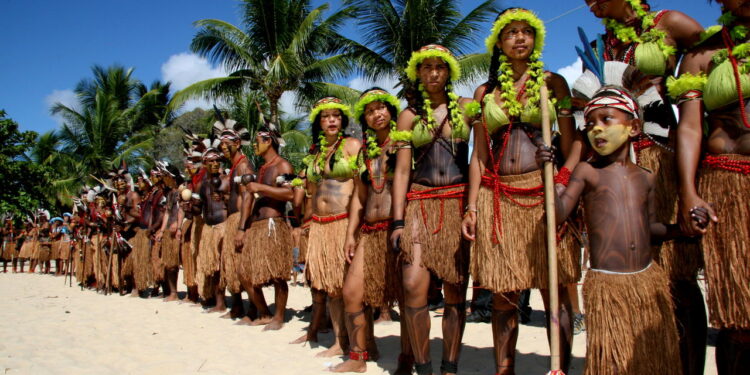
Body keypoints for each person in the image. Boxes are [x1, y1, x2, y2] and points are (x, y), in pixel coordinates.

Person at [538, 85, 702, 374]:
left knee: (651, 360)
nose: (596, 130)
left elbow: (650, 230)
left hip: (647, 281)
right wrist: (548, 174)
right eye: (590, 124)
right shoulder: (587, 172)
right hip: (608, 285)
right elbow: (558, 214)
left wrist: (681, 230)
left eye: (606, 120)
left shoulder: (646, 178)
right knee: (613, 362)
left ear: (634, 127)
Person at [584, 2, 707, 372]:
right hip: (612, 168)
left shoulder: (667, 23)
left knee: (678, 275)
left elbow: (719, 55)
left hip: (662, 159)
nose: (593, 4)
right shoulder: (598, 45)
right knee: (631, 267)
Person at [458, 9, 580, 373]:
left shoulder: (552, 83)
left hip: (543, 193)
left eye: (527, 32)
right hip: (498, 196)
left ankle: (562, 366)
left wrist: (562, 180)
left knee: (553, 288)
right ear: (499, 43)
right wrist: (472, 207)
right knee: (503, 293)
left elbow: (572, 145)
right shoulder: (485, 93)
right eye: (511, 33)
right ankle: (504, 369)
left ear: (536, 39)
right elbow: (479, 156)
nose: (520, 38)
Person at [670, 1, 750, 372]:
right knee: (738, 319)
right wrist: (688, 190)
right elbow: (690, 127)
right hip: (727, 182)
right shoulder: (704, 54)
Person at [390, 44, 473, 375]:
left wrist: (474, 207)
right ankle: (423, 367)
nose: (434, 73)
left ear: (449, 71)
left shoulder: (467, 108)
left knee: (455, 288)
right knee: (413, 285)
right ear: (418, 73)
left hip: (457, 204)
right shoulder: (409, 116)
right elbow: (400, 172)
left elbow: (479, 159)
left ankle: (449, 367)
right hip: (420, 205)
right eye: (427, 68)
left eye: (440, 67)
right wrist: (398, 221)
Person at [333, 88, 410, 373]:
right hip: (369, 229)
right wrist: (350, 234)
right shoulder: (364, 153)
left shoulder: (404, 143)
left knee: (405, 296)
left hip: (399, 228)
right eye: (369, 111)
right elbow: (358, 197)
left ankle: (407, 357)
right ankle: (359, 356)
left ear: (391, 111)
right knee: (352, 292)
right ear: (364, 118)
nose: (376, 114)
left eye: (381, 108)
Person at [296, 97, 363, 358]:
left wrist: (355, 229)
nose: (332, 120)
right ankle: (339, 340)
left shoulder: (352, 145)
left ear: (343, 120)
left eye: (336, 115)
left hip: (344, 221)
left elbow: (360, 187)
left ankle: (362, 342)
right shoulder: (315, 154)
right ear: (319, 123)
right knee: (330, 287)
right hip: (321, 226)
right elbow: (311, 192)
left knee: (349, 287)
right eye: (326, 117)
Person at [236, 126, 295, 330]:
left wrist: (260, 188)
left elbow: (289, 195)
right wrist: (243, 228)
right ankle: (263, 313)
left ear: (268, 140)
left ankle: (278, 318)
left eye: (257, 141)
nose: (254, 144)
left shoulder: (283, 165)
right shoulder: (262, 168)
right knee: (245, 272)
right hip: (257, 227)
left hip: (274, 225)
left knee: (278, 274)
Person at [214, 116, 254, 319]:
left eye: (225, 144)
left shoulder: (243, 166)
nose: (222, 147)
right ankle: (237, 307)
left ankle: (253, 310)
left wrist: (241, 227)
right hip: (232, 220)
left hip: (239, 220)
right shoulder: (234, 167)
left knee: (242, 268)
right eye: (220, 143)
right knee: (231, 267)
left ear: (237, 143)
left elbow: (249, 197)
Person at [196, 138, 230, 312]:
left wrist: (224, 198)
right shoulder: (201, 185)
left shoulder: (226, 180)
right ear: (204, 163)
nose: (215, 163)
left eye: (218, 160)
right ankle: (218, 302)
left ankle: (227, 303)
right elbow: (197, 208)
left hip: (223, 227)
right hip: (208, 229)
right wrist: (188, 205)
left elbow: (236, 202)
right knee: (213, 268)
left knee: (224, 266)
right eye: (211, 161)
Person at [153, 163, 185, 302]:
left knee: (175, 264)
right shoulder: (170, 192)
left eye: (165, 176)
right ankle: (172, 292)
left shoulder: (180, 190)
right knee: (169, 263)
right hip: (168, 232)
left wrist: (178, 226)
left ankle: (179, 293)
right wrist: (161, 230)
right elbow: (167, 212)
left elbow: (181, 209)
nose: (163, 179)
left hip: (178, 231)